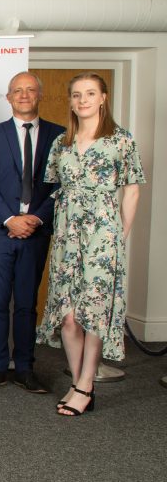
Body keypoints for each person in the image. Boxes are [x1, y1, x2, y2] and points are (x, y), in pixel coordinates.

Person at [37, 73, 144, 417]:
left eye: (90, 94)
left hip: (103, 236)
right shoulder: (61, 143)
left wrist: (119, 236)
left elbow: (131, 189)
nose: (82, 100)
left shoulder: (120, 140)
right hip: (67, 234)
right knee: (68, 316)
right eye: (76, 95)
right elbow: (54, 188)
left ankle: (85, 384)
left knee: (94, 313)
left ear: (103, 98)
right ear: (70, 100)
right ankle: (77, 381)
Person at [0, 72, 64, 393]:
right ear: (8, 97)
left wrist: (36, 220)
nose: (24, 95)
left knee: (27, 303)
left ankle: (25, 368)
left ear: (39, 95)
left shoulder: (60, 135)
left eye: (30, 90)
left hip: (36, 232)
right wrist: (10, 220)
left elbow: (59, 186)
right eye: (18, 90)